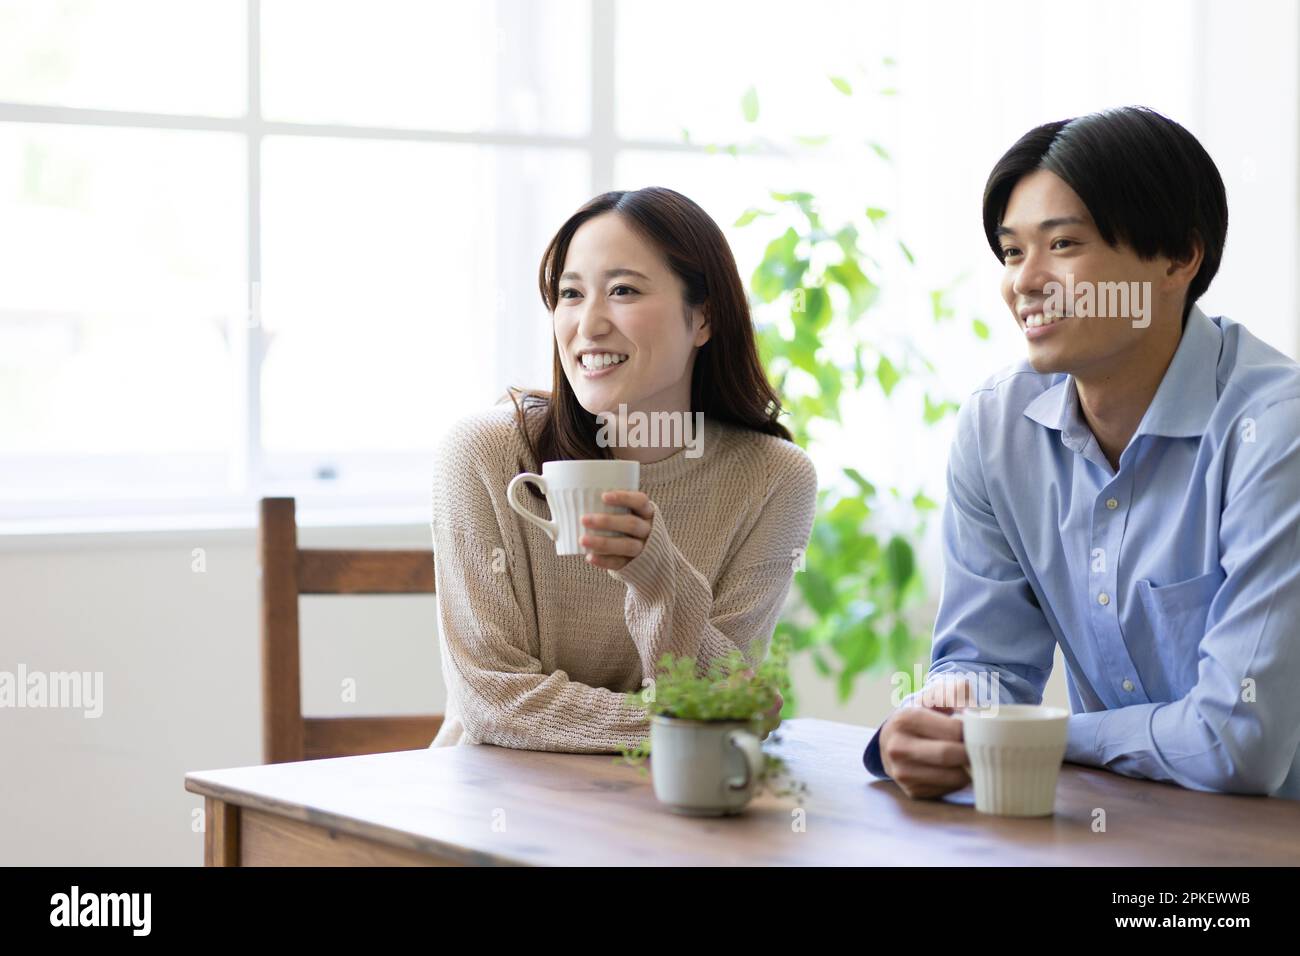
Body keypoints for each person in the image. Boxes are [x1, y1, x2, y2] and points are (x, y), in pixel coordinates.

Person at [863, 106, 1300, 799]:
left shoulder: (1277, 432)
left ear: (1178, 259)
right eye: (1012, 252)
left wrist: (1033, 734)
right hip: (1121, 830)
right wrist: (941, 717)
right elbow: (984, 661)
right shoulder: (997, 427)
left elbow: (1237, 740)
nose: (1025, 281)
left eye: (1062, 245)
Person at [429, 186, 817, 752]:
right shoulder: (484, 454)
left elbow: (720, 689)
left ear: (704, 317)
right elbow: (494, 702)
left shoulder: (773, 479)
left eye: (623, 291)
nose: (588, 325)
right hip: (497, 804)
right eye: (570, 294)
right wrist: (688, 725)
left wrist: (658, 575)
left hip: (668, 805)